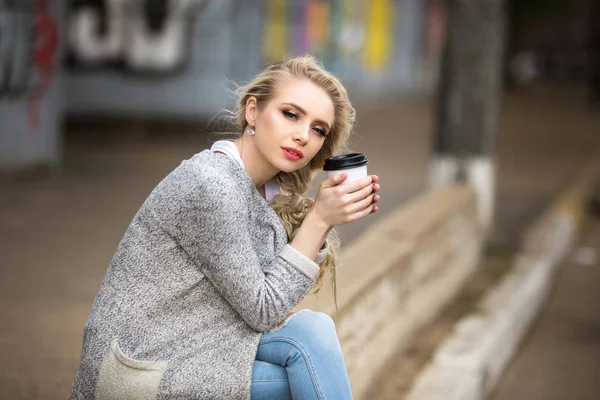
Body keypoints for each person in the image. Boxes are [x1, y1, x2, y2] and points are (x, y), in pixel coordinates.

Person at [68, 55, 381, 400]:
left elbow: (264, 302)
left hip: (196, 345)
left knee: (313, 329)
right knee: (298, 384)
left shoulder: (265, 190)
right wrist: (319, 220)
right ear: (252, 112)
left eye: (318, 129)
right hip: (138, 366)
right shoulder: (213, 184)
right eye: (290, 114)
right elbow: (265, 311)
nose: (303, 136)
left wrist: (319, 221)